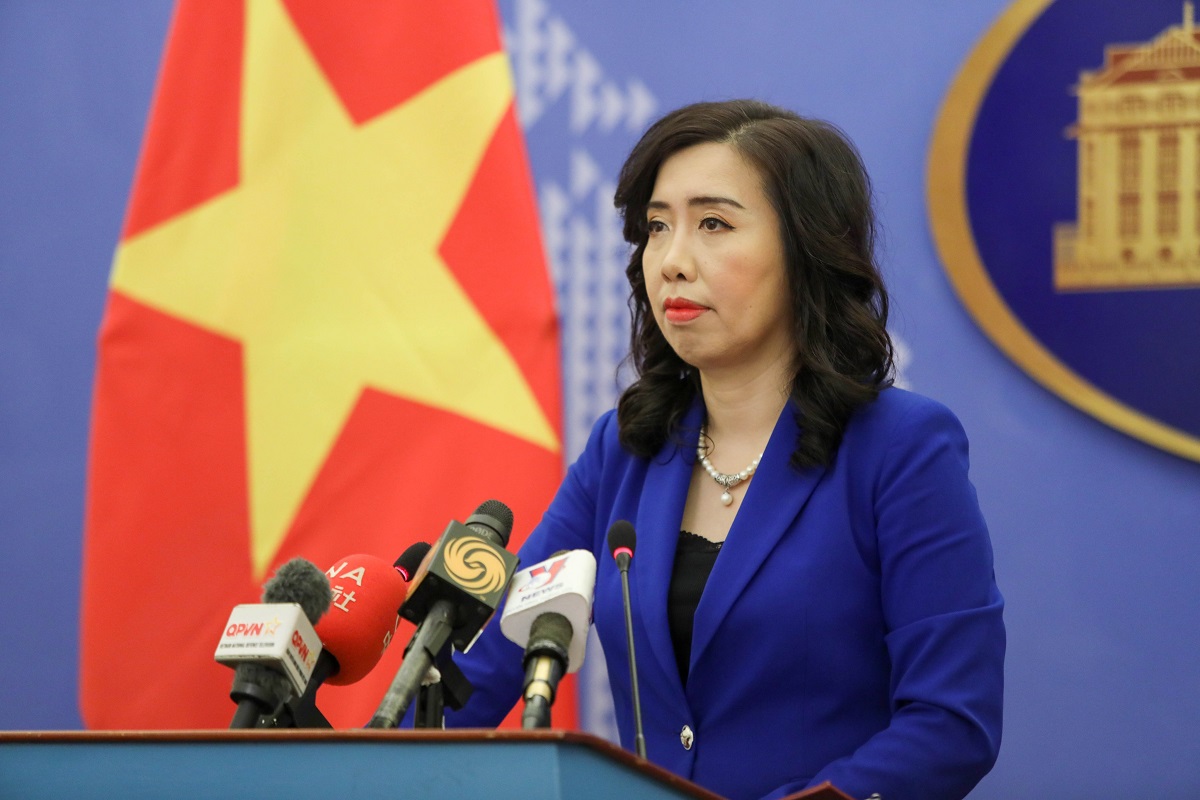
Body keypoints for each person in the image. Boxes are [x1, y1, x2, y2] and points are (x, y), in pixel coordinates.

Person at [440, 99, 1005, 800]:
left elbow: (951, 723)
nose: (673, 262)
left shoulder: (900, 449)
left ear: (805, 250)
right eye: (657, 227)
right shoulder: (625, 450)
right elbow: (483, 671)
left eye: (713, 224)